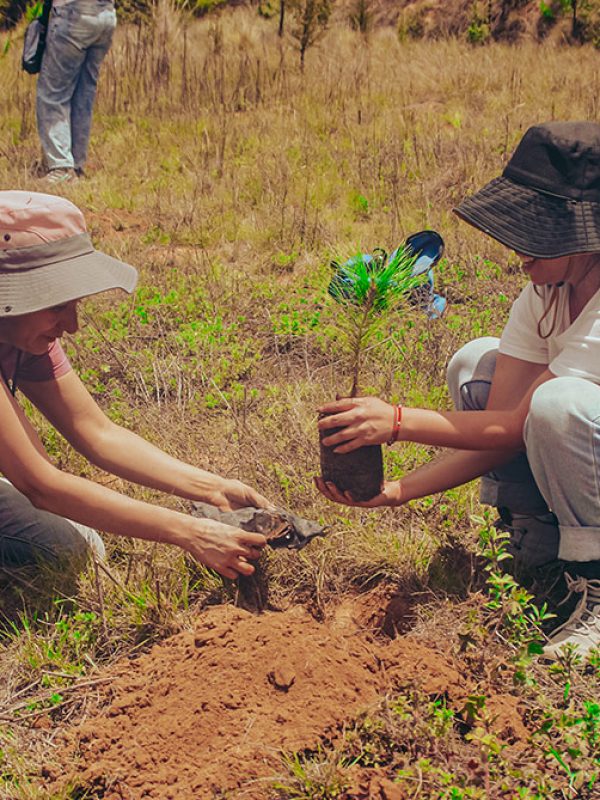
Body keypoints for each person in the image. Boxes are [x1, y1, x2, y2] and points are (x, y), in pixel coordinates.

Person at [316, 121, 600, 660]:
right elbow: (498, 428)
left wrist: (397, 422)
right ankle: (536, 532)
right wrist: (394, 492)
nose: (519, 249)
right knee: (476, 361)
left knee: (559, 404)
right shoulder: (546, 291)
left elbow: (517, 425)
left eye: (536, 232)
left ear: (585, 233)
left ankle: (595, 575)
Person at [0, 190, 269, 582]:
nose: (72, 326)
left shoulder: (22, 334)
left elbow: (98, 432)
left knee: (78, 549)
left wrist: (213, 489)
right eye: (56, 305)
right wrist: (191, 532)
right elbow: (42, 485)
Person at [36, 0, 116, 183]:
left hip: (73, 13)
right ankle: (76, 164)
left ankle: (61, 167)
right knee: (83, 94)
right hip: (106, 15)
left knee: (53, 95)